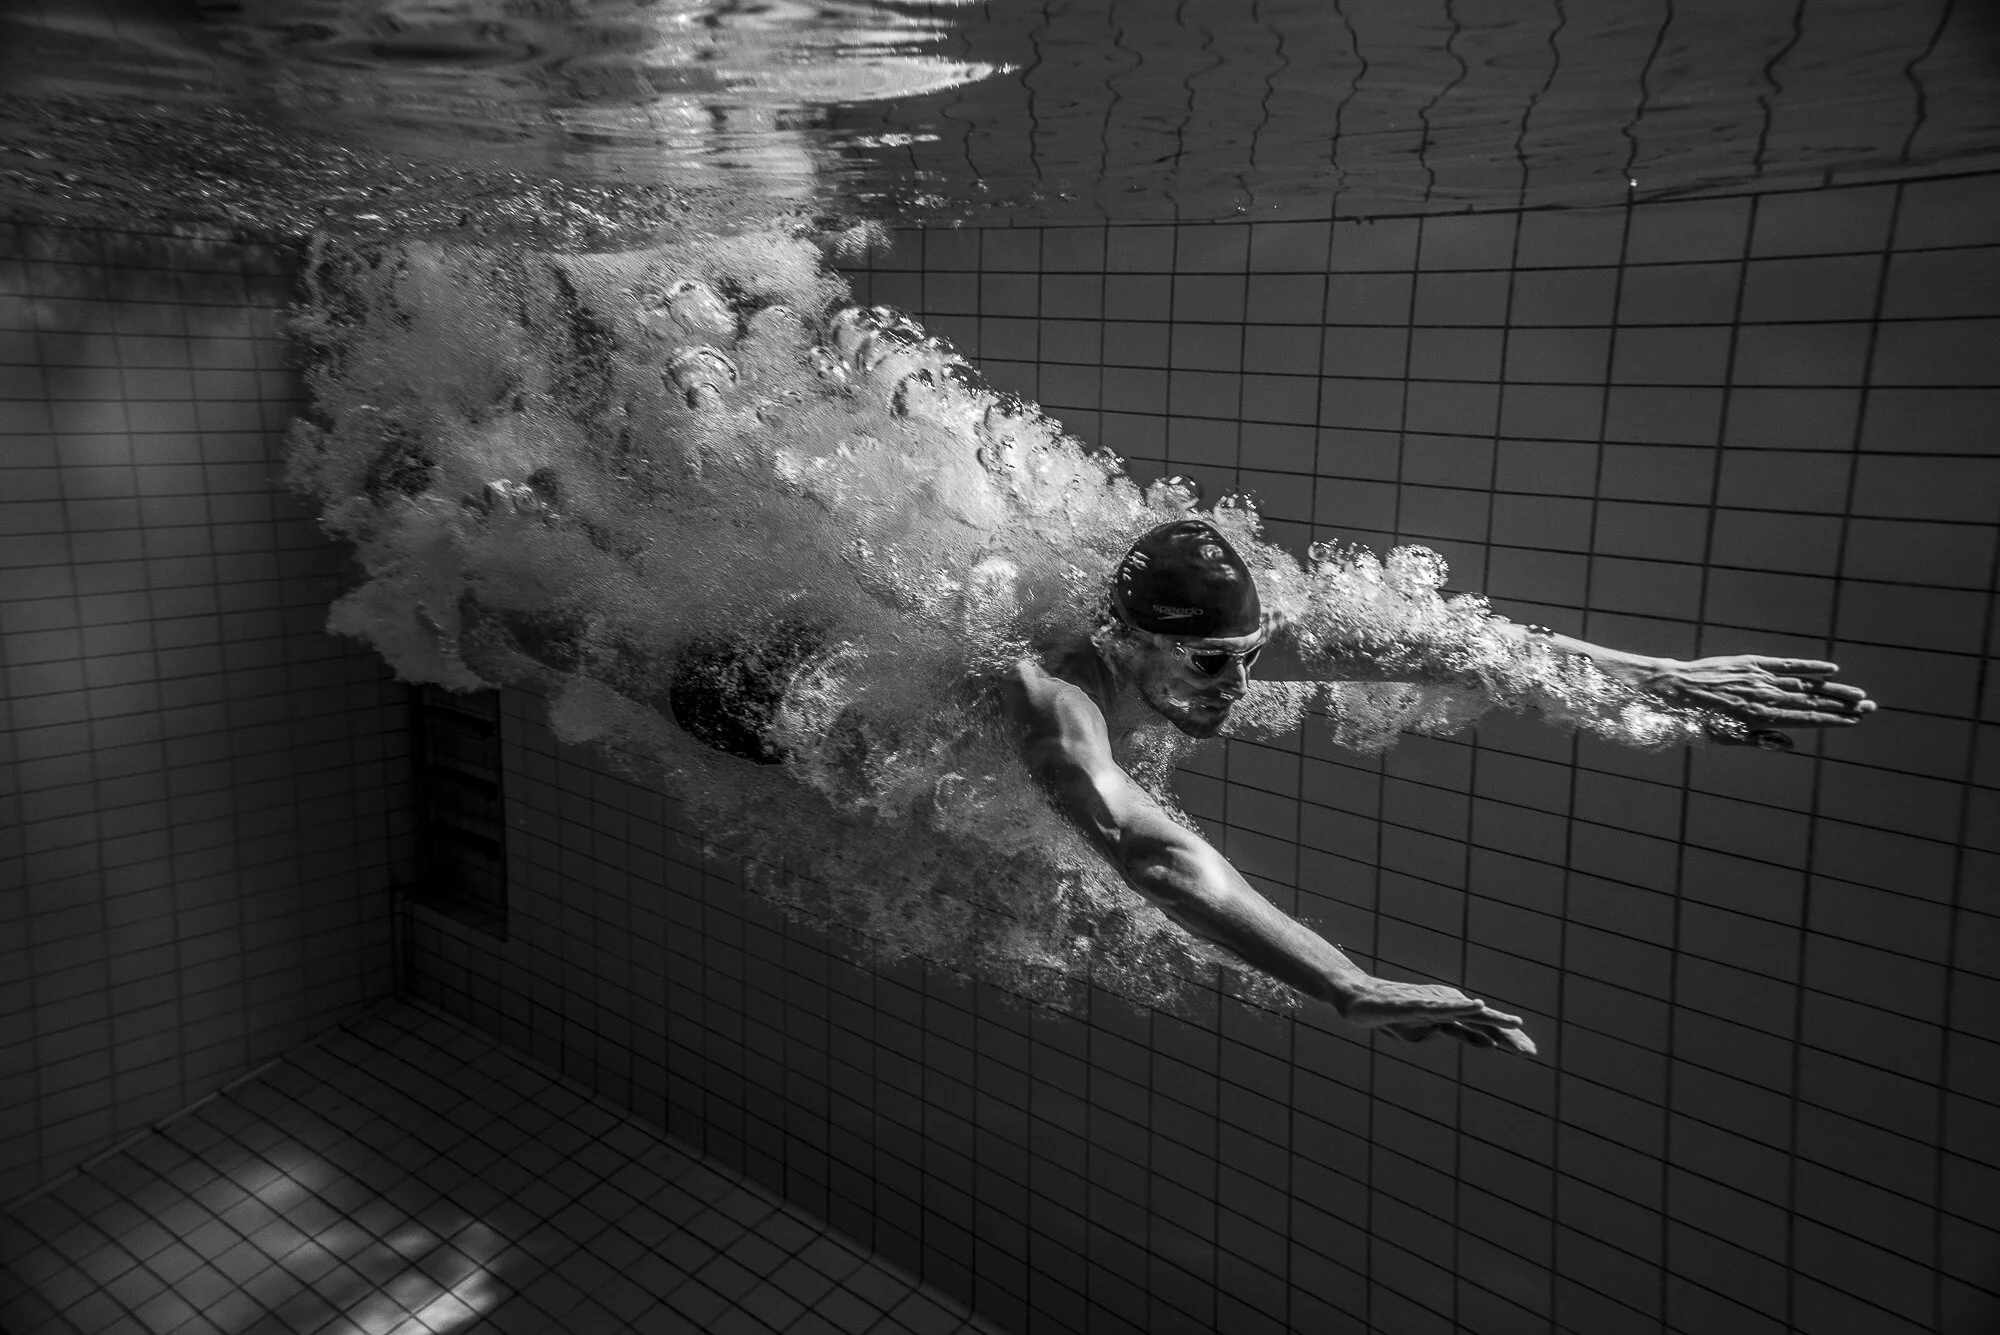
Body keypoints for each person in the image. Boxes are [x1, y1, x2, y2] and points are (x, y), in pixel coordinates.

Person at [459, 491, 1874, 1056]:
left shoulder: (1217, 642)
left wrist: (1663, 678)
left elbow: (1467, 647)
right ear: (1128, 640)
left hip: (848, 663)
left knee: (622, 567)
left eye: (1248, 658)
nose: (1237, 687)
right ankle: (476, 548)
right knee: (604, 642)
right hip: (784, 705)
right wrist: (1345, 982)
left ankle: (565, 500)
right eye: (1210, 666)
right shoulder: (1055, 700)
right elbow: (1149, 848)